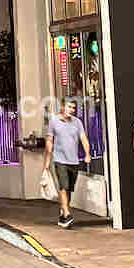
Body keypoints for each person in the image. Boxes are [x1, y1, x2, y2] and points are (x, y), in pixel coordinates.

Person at [44, 98, 92, 228]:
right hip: (60, 160)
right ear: (63, 107)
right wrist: (47, 161)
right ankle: (67, 213)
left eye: (73, 108)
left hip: (73, 161)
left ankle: (63, 214)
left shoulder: (77, 122)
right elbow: (49, 141)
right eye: (69, 107)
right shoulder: (54, 121)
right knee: (63, 187)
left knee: (69, 189)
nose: (72, 110)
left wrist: (87, 154)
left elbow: (83, 139)